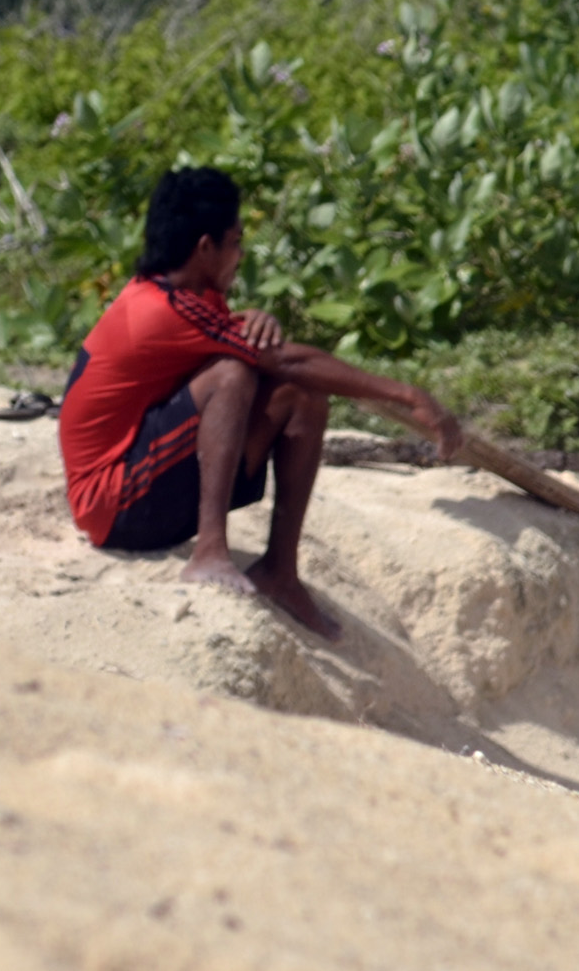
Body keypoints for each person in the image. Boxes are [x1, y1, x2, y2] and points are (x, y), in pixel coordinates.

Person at [56, 165, 462, 639]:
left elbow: (264, 355)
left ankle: (279, 572)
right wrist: (408, 394)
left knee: (302, 397)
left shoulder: (185, 297)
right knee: (233, 376)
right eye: (236, 242)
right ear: (206, 247)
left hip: (141, 487)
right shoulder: (156, 309)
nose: (241, 255)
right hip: (112, 505)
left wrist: (255, 316)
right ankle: (209, 551)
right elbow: (281, 359)